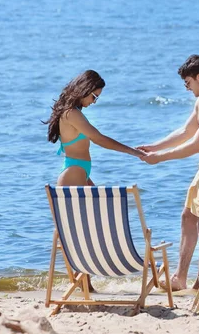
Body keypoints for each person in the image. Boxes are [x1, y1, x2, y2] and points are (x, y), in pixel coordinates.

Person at [138, 55, 199, 290]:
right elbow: (186, 131)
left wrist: (159, 159)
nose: (187, 87)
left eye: (188, 83)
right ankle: (179, 278)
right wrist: (155, 146)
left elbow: (195, 145)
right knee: (187, 218)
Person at [44, 69, 144, 290]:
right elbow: (98, 138)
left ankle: (84, 283)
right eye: (94, 96)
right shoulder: (72, 113)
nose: (94, 101)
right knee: (73, 231)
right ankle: (83, 285)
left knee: (85, 227)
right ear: (84, 90)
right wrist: (132, 152)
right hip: (74, 172)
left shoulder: (73, 112)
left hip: (80, 172)